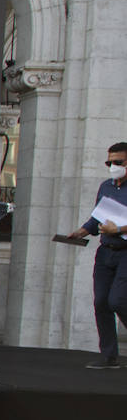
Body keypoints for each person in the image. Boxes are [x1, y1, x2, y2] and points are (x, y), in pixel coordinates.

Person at [67, 142, 127, 369]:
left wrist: (119, 230)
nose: (113, 166)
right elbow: (97, 217)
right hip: (105, 252)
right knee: (101, 301)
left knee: (118, 300)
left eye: (118, 162)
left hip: (125, 253)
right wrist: (82, 231)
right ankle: (109, 355)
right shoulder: (106, 187)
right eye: (109, 162)